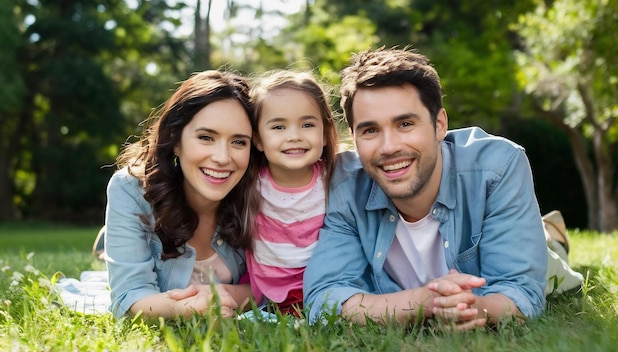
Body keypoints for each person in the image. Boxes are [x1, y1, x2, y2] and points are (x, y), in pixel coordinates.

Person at [303, 47, 582, 330]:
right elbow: (323, 300)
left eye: (405, 123)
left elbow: (521, 292)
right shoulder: (344, 182)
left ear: (439, 125)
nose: (389, 147)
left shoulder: (497, 167)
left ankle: (551, 233)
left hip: (532, 254)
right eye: (370, 130)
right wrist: (427, 301)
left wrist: (475, 308)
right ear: (353, 136)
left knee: (548, 259)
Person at [104, 70, 258, 320]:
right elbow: (128, 296)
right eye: (206, 137)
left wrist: (222, 295)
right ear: (175, 139)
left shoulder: (263, 193)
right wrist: (187, 308)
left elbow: (277, 287)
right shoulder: (130, 189)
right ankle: (106, 242)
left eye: (239, 142)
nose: (222, 157)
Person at [245, 70, 338, 315]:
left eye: (307, 124)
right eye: (278, 127)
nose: (294, 136)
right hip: (267, 292)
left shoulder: (337, 178)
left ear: (325, 133)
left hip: (322, 287)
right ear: (258, 139)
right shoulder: (250, 182)